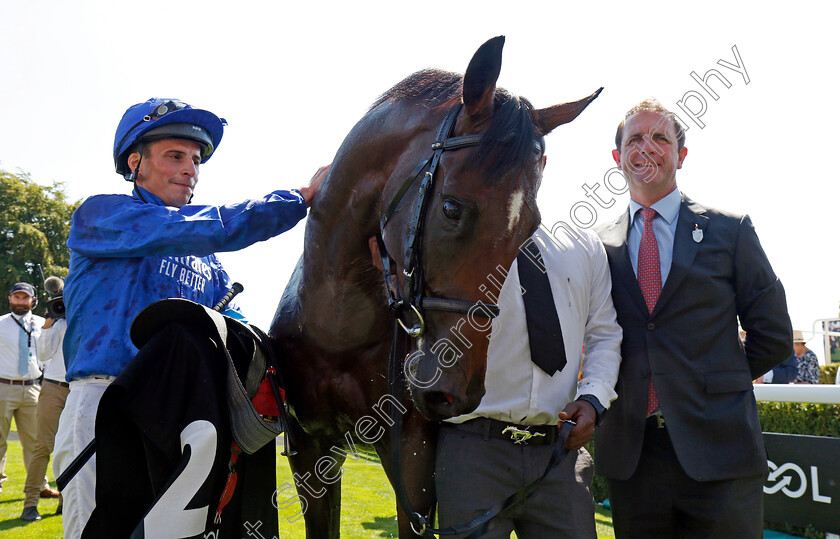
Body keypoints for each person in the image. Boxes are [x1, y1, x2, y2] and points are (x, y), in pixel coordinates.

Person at [52, 97, 327, 539]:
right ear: (135, 161)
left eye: (196, 160)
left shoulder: (207, 258)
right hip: (106, 402)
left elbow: (234, 324)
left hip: (188, 411)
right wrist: (296, 201)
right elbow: (197, 226)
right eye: (175, 156)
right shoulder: (102, 214)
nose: (190, 170)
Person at [596, 98, 792, 538]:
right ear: (618, 158)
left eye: (660, 138)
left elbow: (774, 334)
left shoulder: (731, 230)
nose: (647, 147)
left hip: (721, 449)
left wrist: (712, 383)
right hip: (633, 457)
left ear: (680, 155)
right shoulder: (597, 248)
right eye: (635, 139)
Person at [435, 215, 622, 535]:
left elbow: (604, 335)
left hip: (560, 456)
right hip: (473, 453)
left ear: (544, 160)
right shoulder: (456, 232)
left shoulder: (587, 244)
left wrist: (592, 399)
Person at [0, 283, 57, 505]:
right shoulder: (1, 324)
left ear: (33, 300)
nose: (20, 301)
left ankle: (40, 485)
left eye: (25, 298)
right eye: (17, 297)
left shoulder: (43, 324)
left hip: (33, 387)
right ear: (9, 298)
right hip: (3, 386)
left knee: (35, 441)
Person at [21, 315, 68, 522]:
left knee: (73, 448)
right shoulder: (59, 324)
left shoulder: (92, 316)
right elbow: (44, 353)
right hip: (54, 387)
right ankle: (30, 504)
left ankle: (65, 502)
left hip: (82, 386)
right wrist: (48, 327)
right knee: (43, 447)